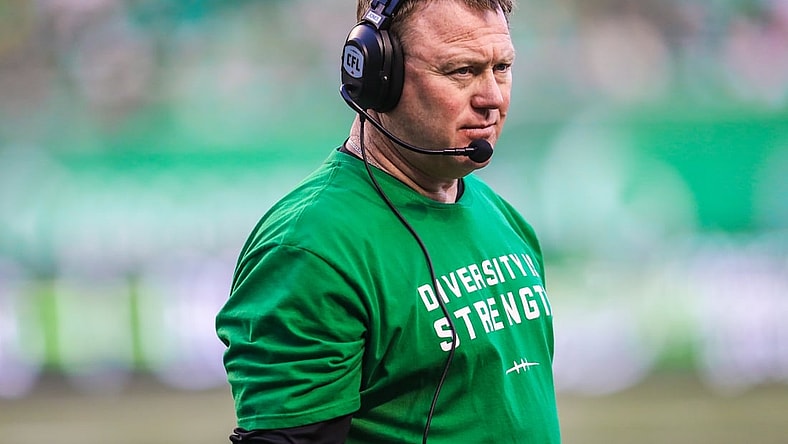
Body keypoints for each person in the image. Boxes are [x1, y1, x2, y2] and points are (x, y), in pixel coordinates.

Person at [215, 0, 561, 442]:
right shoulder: (309, 249)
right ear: (378, 75)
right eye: (462, 71)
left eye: (502, 68)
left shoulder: (504, 219)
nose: (492, 97)